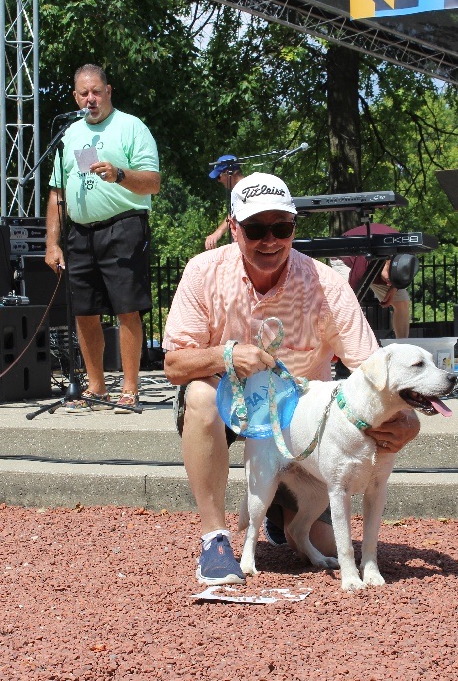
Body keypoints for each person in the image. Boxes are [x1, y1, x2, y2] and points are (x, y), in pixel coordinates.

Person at [161, 172, 421, 586]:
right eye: (255, 229)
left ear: (294, 228)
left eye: (281, 228)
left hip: (298, 423)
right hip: (226, 403)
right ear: (233, 228)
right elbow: (174, 365)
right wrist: (226, 355)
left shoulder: (326, 284)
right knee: (200, 397)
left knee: (326, 545)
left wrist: (408, 419)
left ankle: (280, 511)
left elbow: (374, 371)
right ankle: (215, 540)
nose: (270, 240)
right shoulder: (203, 271)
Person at [44, 64, 160, 414]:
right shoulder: (69, 134)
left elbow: (153, 182)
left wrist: (120, 174)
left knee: (127, 309)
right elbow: (57, 193)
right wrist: (52, 243)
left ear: (108, 91)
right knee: (84, 312)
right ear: (75, 97)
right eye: (83, 93)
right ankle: (96, 388)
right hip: (80, 233)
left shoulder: (131, 127)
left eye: (96, 91)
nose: (90, 99)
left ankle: (129, 389)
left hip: (123, 227)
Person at [330, 223, 412, 339]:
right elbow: (353, 294)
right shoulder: (362, 263)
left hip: (377, 255)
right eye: (389, 280)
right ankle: (345, 342)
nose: (388, 284)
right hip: (345, 256)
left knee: (401, 302)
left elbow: (404, 275)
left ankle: (402, 344)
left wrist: (393, 288)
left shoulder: (406, 257)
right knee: (348, 304)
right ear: (387, 265)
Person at [204, 155, 244, 250]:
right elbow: (232, 214)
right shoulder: (238, 191)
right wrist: (217, 233)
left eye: (219, 176)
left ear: (227, 173)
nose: (219, 181)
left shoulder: (245, 190)